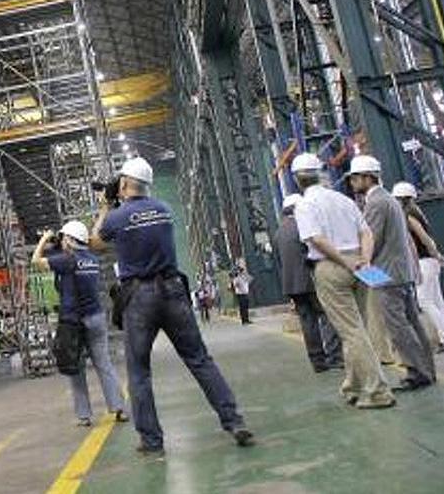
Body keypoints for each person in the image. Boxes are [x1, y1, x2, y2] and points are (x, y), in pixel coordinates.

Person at [92, 157, 253, 454]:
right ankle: (234, 420)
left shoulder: (117, 216)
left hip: (139, 298)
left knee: (139, 372)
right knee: (199, 359)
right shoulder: (164, 209)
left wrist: (105, 206)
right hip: (174, 291)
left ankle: (152, 441)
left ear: (125, 183)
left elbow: (95, 243)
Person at [290, 153, 396, 409]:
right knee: (356, 328)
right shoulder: (343, 199)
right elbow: (366, 232)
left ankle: (378, 392)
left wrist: (344, 261)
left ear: (297, 179)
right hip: (359, 264)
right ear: (320, 173)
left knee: (350, 331)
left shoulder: (304, 205)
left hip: (331, 266)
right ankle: (353, 385)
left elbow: (316, 239)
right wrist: (364, 260)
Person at [347, 156, 437, 391]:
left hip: (386, 274)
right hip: (398, 272)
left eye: (356, 177)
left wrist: (355, 262)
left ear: (368, 177)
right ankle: (427, 369)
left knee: (398, 326)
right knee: (412, 322)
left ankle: (416, 372)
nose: (353, 182)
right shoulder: (389, 200)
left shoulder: (376, 202)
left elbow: (371, 239)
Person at [31, 221, 128, 427]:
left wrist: (44, 239)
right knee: (104, 365)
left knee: (76, 367)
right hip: (96, 318)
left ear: (71, 240)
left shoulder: (67, 261)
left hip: (74, 322)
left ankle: (84, 415)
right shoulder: (92, 260)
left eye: (65, 237)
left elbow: (36, 261)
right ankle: (119, 407)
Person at [274, 193, 342, 372]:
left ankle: (317, 361)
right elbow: (313, 251)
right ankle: (334, 355)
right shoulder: (302, 225)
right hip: (310, 281)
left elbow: (279, 261)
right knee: (327, 314)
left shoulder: (279, 231)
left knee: (307, 321)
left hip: (292, 286)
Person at [393, 182, 444, 353]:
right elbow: (427, 238)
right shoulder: (417, 212)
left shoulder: (408, 215)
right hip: (430, 261)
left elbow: (422, 238)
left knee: (425, 301)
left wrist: (435, 255)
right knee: (438, 301)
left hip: (423, 262)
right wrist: (437, 255)